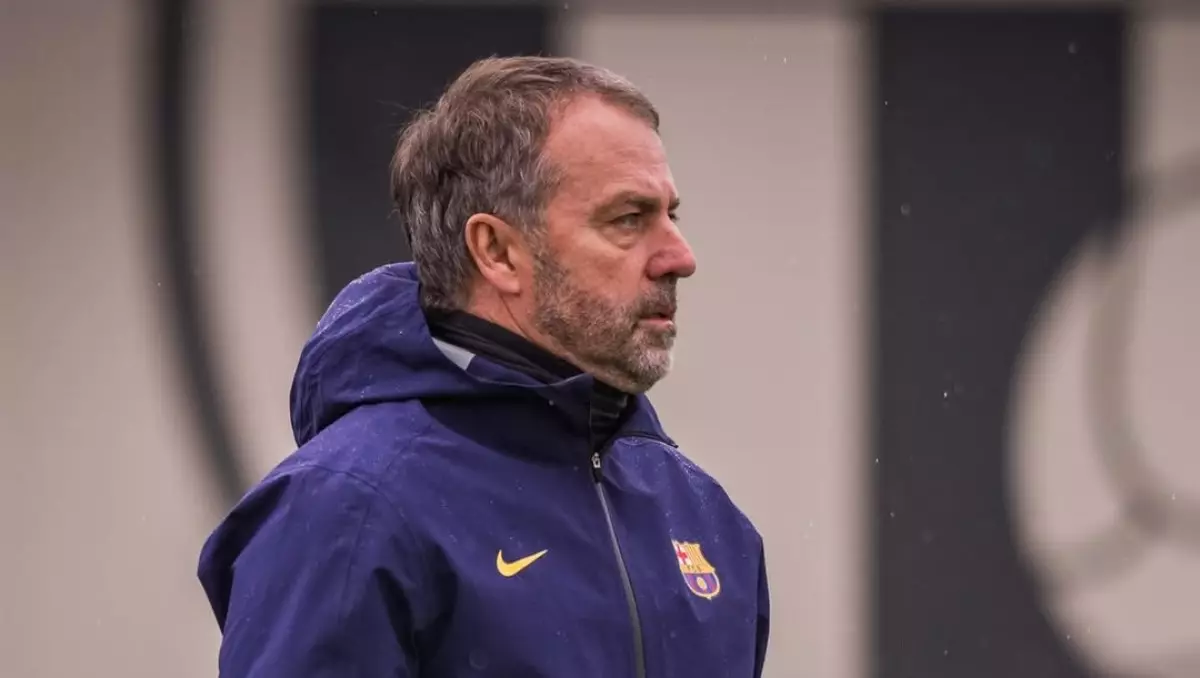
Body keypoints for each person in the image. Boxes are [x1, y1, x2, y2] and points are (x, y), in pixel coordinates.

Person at [198, 55, 770, 677]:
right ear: (496, 251)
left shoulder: (704, 518)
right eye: (628, 219)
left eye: (670, 215)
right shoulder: (347, 510)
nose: (679, 257)